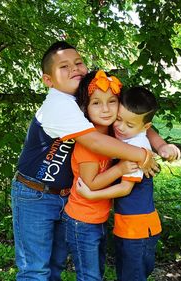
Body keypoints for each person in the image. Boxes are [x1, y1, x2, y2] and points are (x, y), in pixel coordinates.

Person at [11, 41, 180, 281]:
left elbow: (135, 120)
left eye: (78, 62)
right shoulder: (58, 104)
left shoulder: (91, 99)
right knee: (35, 269)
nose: (74, 69)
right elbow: (96, 143)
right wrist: (142, 155)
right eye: (64, 66)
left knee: (55, 264)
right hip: (35, 193)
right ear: (48, 80)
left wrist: (160, 144)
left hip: (69, 195)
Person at [76, 86, 166, 281]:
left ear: (144, 127)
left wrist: (92, 195)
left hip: (139, 228)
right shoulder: (125, 137)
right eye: (118, 119)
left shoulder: (137, 146)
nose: (120, 127)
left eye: (129, 125)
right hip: (128, 225)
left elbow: (126, 188)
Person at [63, 70, 136, 280]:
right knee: (89, 276)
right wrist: (120, 169)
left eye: (111, 101)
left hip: (97, 217)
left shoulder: (113, 133)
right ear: (85, 107)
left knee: (97, 272)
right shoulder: (89, 143)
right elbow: (90, 185)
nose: (105, 109)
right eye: (96, 103)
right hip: (82, 220)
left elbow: (141, 124)